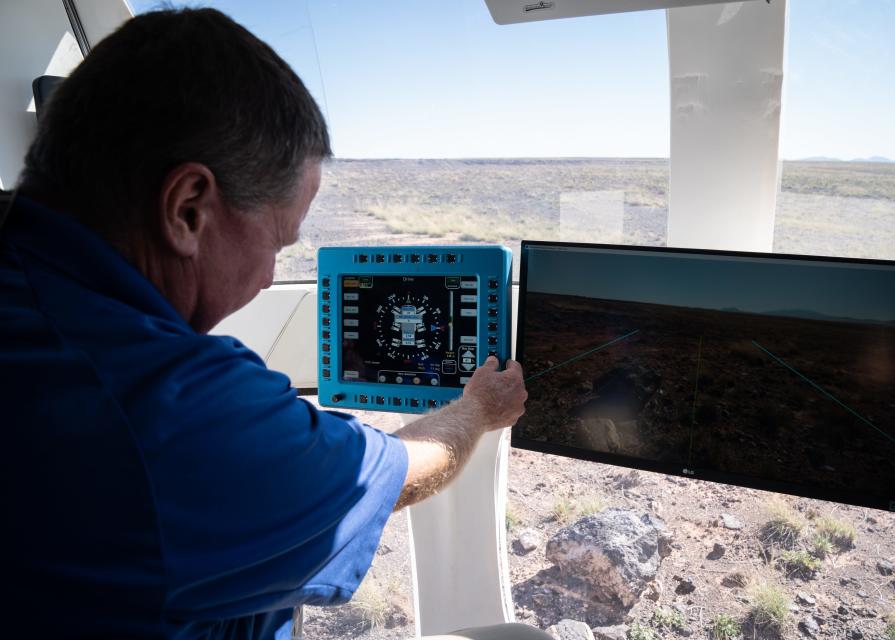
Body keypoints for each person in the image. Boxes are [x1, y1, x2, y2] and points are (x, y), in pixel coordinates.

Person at [0, 8, 546, 639]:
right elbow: (396, 471)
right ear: (187, 208)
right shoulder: (170, 407)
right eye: (279, 244)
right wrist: (477, 409)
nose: (268, 277)